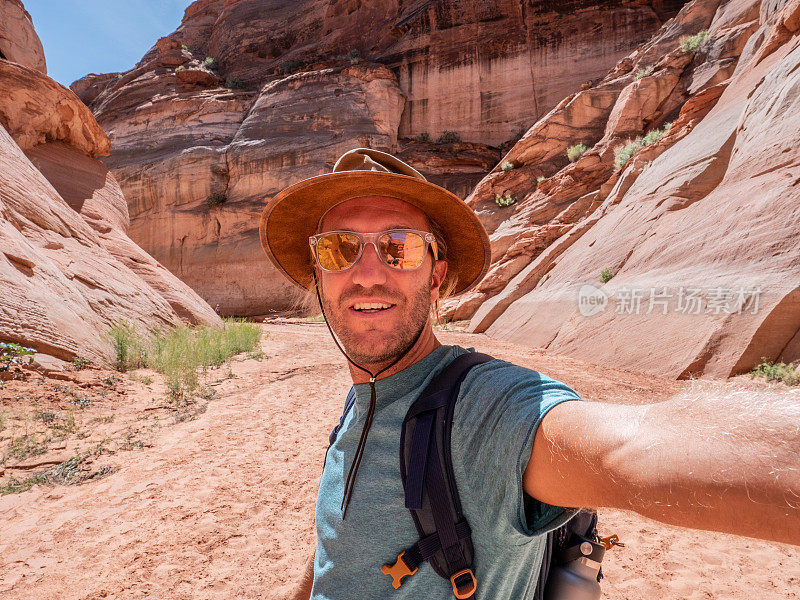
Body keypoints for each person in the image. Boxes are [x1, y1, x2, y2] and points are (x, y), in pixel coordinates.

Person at [259, 148, 800, 599]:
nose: (368, 273)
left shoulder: (486, 409)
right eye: (339, 248)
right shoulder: (365, 399)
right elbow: (344, 537)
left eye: (399, 247)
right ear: (318, 275)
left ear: (437, 275)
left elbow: (635, 452)